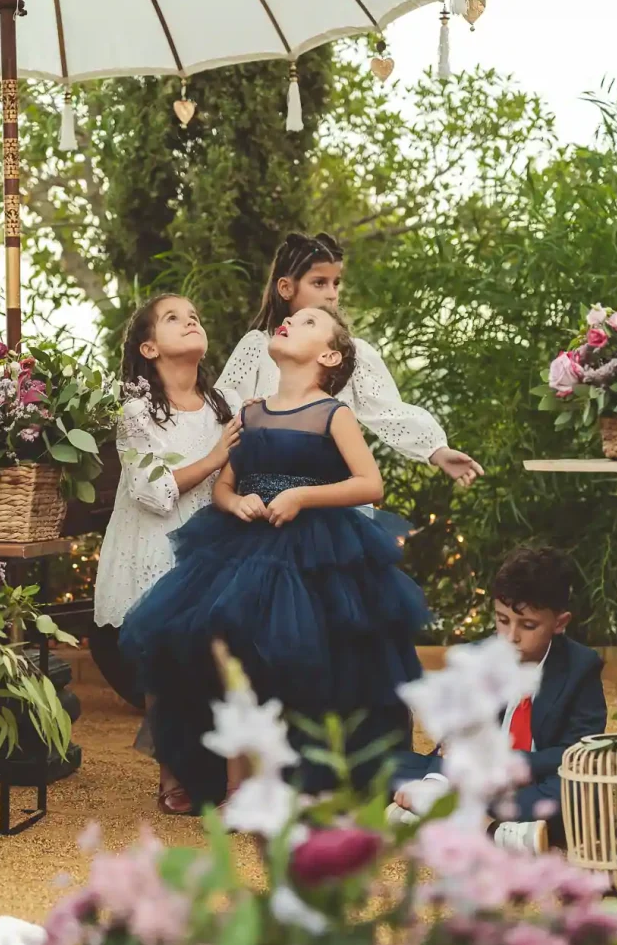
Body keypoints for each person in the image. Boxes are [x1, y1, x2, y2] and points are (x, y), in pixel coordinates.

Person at [120, 305, 431, 812]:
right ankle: (236, 784)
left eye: (310, 323)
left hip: (317, 552)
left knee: (309, 658)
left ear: (328, 355)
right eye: (293, 319)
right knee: (229, 648)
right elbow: (225, 483)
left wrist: (303, 497)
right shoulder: (249, 412)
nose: (292, 323)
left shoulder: (335, 413)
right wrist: (234, 501)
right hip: (244, 546)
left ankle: (301, 779)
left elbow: (369, 483)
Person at [93, 293, 241, 813]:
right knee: (167, 662)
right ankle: (172, 774)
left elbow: (233, 473)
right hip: (156, 546)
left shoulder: (222, 408)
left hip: (209, 543)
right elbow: (152, 491)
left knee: (224, 658)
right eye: (174, 317)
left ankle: (231, 776)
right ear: (150, 347)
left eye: (194, 314)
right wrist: (215, 456)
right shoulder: (137, 411)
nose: (190, 319)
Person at [218, 231, 482, 489]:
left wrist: (436, 450)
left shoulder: (353, 353)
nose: (332, 293)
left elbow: (388, 410)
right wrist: (247, 411)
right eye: (319, 283)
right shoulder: (260, 345)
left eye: (336, 283)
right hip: (263, 497)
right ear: (286, 287)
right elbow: (223, 406)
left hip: (331, 497)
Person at [387, 546, 607, 853]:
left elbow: (578, 752)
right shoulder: (479, 656)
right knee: (384, 767)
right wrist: (437, 781)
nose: (511, 635)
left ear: (560, 622)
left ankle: (458, 821)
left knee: (582, 796)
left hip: (535, 782)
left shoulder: (581, 667)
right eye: (502, 620)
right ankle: (499, 830)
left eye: (528, 625)